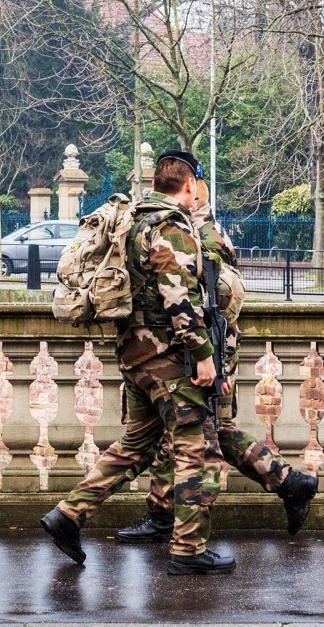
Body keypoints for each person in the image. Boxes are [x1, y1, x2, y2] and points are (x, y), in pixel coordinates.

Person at [41, 150, 234, 575]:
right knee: (196, 451)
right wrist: (204, 356)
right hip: (169, 356)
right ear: (189, 184)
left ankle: (68, 514)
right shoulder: (171, 227)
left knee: (136, 446)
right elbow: (179, 300)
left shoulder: (133, 221)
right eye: (197, 186)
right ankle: (188, 550)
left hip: (135, 354)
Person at [116, 179, 318, 544]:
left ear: (192, 197)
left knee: (194, 430)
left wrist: (211, 360)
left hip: (208, 349)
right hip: (205, 347)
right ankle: (289, 482)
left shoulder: (199, 236)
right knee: (204, 429)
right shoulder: (198, 230)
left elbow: (210, 301)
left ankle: (170, 518)